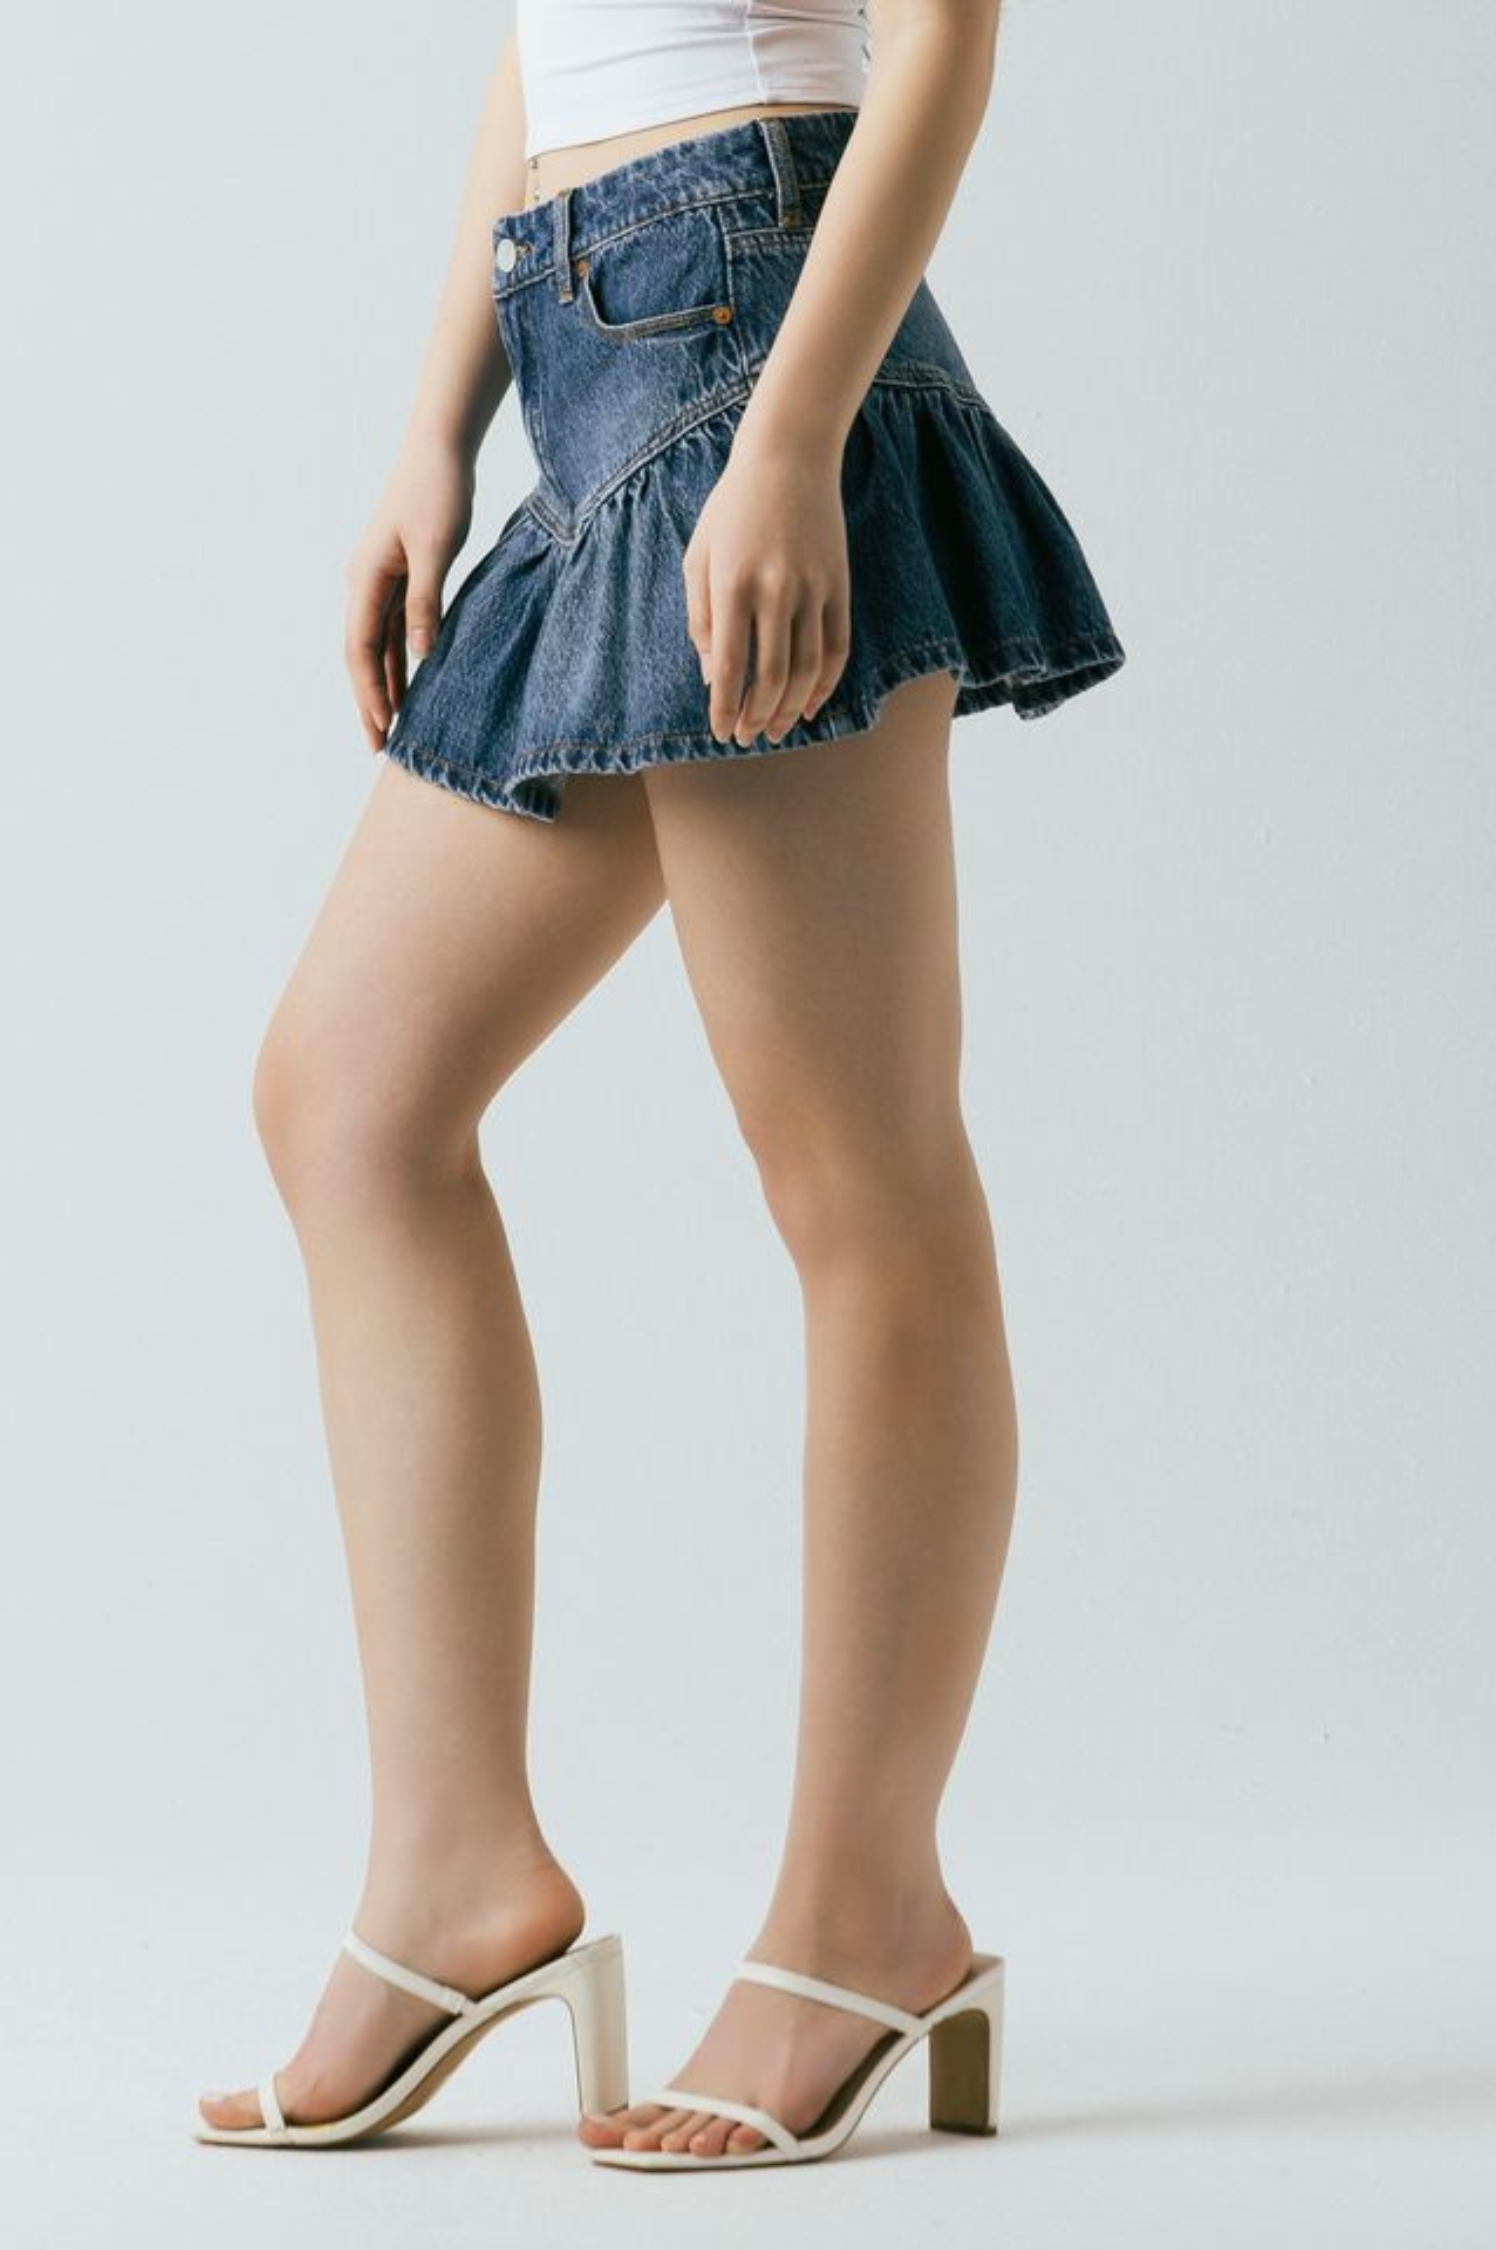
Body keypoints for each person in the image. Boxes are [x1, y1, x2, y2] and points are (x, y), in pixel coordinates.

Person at [193, 0, 1124, 2172]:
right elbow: (554, 40)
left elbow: (943, 39)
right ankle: (456, 1872)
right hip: (594, 346)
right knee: (350, 1101)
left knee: (859, 1182)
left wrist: (795, 433)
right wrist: (436, 422)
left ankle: (866, 1912)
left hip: (754, 332)